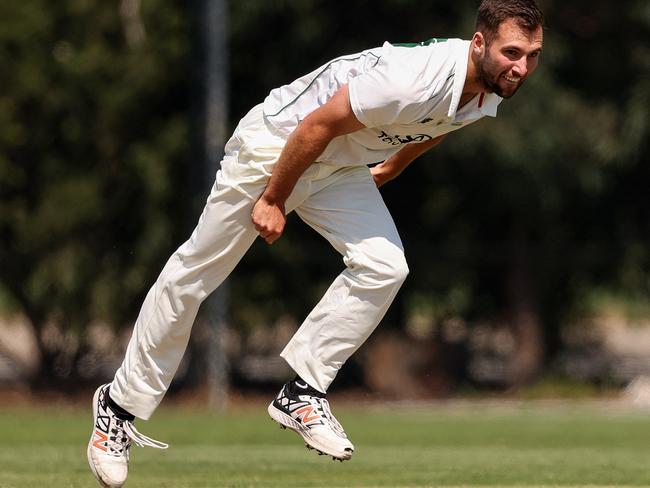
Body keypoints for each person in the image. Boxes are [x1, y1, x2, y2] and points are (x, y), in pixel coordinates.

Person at [87, 0, 544, 486]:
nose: (522, 67)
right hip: (278, 145)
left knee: (385, 266)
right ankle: (117, 408)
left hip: (337, 164)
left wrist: (392, 166)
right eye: (512, 52)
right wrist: (273, 199)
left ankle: (302, 391)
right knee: (194, 275)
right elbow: (316, 126)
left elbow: (436, 126)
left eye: (533, 54)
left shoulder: (486, 91)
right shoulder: (413, 76)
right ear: (479, 43)